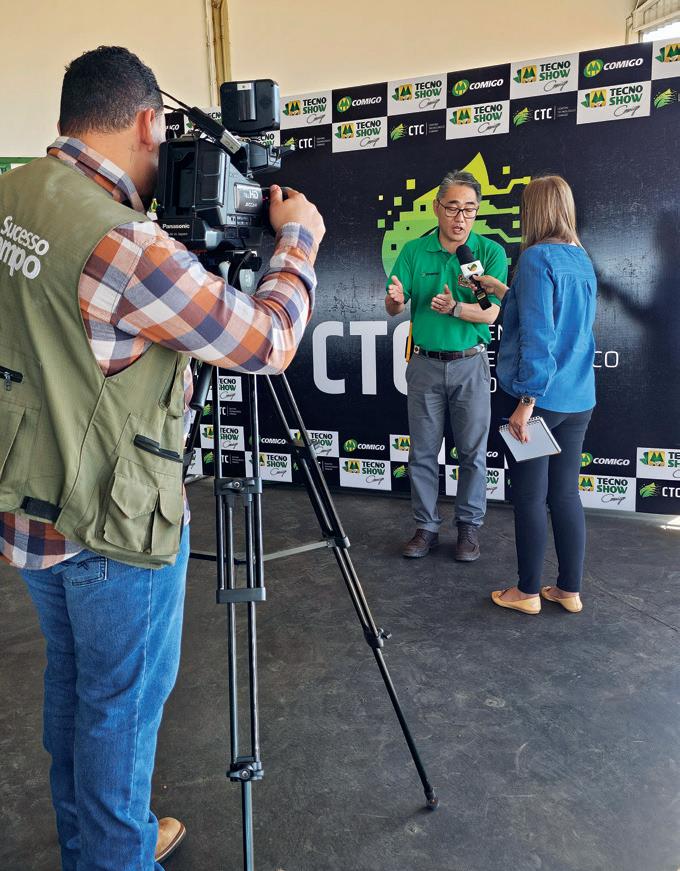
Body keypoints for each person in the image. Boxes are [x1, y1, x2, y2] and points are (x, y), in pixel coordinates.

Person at [0, 46, 324, 870]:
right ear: (147, 122)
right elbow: (268, 340)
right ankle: (117, 852)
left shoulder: (13, 195)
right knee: (118, 713)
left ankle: (101, 845)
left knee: (76, 691)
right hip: (113, 528)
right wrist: (298, 244)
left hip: (27, 508)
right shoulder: (125, 246)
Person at [476, 175, 597, 615]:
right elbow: (551, 314)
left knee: (529, 497)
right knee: (565, 495)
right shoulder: (580, 258)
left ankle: (527, 592)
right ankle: (569, 590)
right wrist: (500, 290)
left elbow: (540, 334)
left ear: (534, 210)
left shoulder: (534, 257)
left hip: (538, 401)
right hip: (578, 397)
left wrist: (525, 403)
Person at [385, 170, 507, 561]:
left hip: (471, 363)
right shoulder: (413, 251)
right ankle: (426, 527)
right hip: (425, 364)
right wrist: (395, 298)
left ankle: (468, 527)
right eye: (453, 207)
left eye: (469, 209)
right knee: (422, 452)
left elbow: (491, 314)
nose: (460, 217)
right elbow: (395, 305)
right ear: (437, 208)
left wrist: (455, 308)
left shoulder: (490, 252)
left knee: (472, 452)